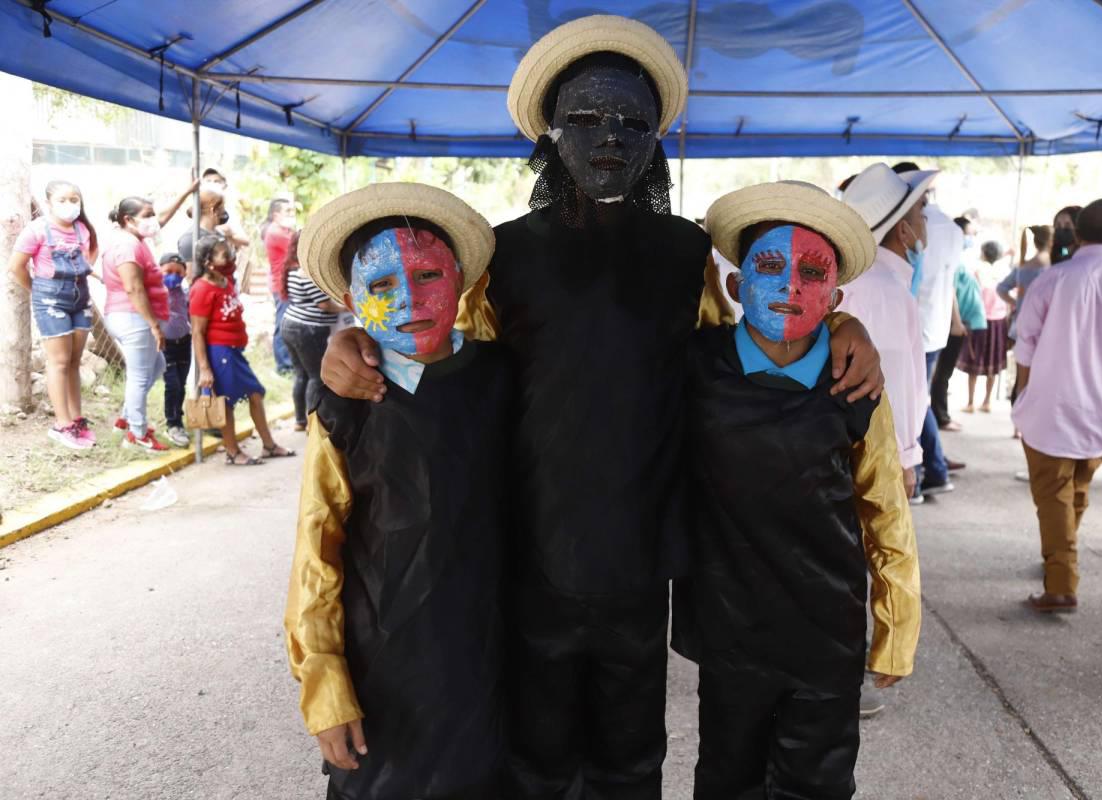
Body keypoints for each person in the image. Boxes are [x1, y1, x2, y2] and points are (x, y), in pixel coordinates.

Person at [318, 15, 884, 798]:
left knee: (630, 759)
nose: (609, 136)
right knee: (541, 759)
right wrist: (349, 341)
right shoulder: (506, 254)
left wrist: (848, 324)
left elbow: (752, 337)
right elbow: (445, 348)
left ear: (657, 136)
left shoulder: (686, 254)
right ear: (550, 133)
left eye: (630, 120)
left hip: (641, 568)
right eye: (584, 118)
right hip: (533, 561)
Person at [673, 181, 920, 800]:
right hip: (730, 628)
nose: (789, 288)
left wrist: (897, 622)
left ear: (834, 296)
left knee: (818, 782)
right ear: (735, 285)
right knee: (728, 777)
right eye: (770, 266)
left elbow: (884, 503)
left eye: (812, 274)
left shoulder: (852, 382)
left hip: (825, 630)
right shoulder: (695, 362)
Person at [285, 183, 511, 799]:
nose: (410, 297)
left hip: (491, 656)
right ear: (350, 297)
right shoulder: (344, 407)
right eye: (382, 285)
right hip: (383, 661)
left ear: (461, 279)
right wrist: (325, 681)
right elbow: (316, 549)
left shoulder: (501, 377)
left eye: (429, 273)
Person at [1013, 199, 1102, 612]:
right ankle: (1062, 556)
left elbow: (1025, 342)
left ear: (1077, 234)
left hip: (1050, 408)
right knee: (1077, 486)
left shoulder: (1052, 280)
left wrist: (1023, 393)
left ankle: (1061, 582)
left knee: (1054, 494)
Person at [840, 162, 935, 504]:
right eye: (921, 210)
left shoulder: (866, 280)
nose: (927, 220)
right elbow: (894, 382)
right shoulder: (883, 290)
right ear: (903, 231)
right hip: (877, 451)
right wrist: (906, 459)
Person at [8, 180, 100, 449]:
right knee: (58, 361)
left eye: (75, 200)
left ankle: (76, 418)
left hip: (80, 297)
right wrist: (38, 291)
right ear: (48, 203)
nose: (69, 205)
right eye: (62, 200)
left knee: (73, 361)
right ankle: (62, 425)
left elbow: (88, 256)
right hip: (50, 300)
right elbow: (17, 267)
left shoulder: (82, 229)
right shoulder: (36, 230)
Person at [188, 235, 294, 465]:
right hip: (220, 353)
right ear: (208, 262)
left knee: (256, 393)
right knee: (226, 402)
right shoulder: (202, 289)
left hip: (234, 351)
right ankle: (233, 452)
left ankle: (268, 445)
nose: (229, 256)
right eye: (223, 253)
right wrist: (205, 369)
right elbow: (197, 332)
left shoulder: (226, 281)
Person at [892, 162, 964, 494]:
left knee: (913, 399)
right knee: (919, 397)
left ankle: (923, 474)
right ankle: (932, 469)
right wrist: (955, 320)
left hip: (912, 326)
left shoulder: (906, 224)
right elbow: (950, 282)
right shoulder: (953, 228)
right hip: (933, 326)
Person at [102, 196, 171, 452]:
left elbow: (163, 220)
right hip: (134, 318)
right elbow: (133, 288)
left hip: (131, 317)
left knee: (157, 366)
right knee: (140, 377)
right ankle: (137, 434)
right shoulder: (127, 246)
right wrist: (153, 324)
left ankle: (127, 419)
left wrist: (187, 192)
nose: (154, 220)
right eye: (148, 215)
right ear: (128, 220)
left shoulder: (133, 240)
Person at [280, 229, 340, 431]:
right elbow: (325, 305)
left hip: (290, 325)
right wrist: (349, 306)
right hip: (309, 329)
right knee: (316, 375)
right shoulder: (308, 272)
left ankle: (300, 420)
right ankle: (312, 422)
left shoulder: (292, 269)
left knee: (301, 374)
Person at [931, 221, 987, 430]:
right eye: (969, 234)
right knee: (942, 373)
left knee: (945, 372)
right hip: (954, 324)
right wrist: (956, 321)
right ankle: (941, 416)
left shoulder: (961, 259)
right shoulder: (952, 259)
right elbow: (951, 291)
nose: (971, 238)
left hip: (961, 322)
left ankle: (942, 414)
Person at [958, 241, 1009, 413]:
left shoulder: (977, 271)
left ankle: (970, 402)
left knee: (975, 361)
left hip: (980, 321)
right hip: (999, 320)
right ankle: (987, 401)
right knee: (992, 363)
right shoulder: (1004, 272)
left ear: (985, 253)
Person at [158, 252, 192, 447]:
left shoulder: (184, 292)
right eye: (168, 271)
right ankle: (172, 424)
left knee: (181, 384)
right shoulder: (157, 291)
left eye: (177, 272)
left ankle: (178, 419)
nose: (173, 276)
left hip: (184, 343)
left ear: (184, 273)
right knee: (173, 384)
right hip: (166, 345)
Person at [997, 225, 1051, 338]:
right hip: (1045, 325)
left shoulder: (1022, 267)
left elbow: (1001, 289)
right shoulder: (1054, 267)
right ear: (1052, 242)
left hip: (1023, 323)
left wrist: (1016, 303)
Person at [263, 197, 297, 374]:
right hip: (280, 284)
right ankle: (283, 366)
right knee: (282, 323)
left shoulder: (282, 231)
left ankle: (287, 363)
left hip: (283, 282)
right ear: (276, 215)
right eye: (287, 211)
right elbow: (299, 247)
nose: (291, 215)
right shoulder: (277, 233)